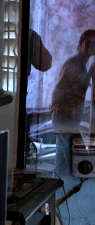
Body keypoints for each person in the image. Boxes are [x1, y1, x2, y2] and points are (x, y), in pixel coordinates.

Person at [50, 30, 95, 174]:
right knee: (66, 154)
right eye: (88, 43)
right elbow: (62, 88)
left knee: (64, 153)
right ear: (81, 44)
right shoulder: (75, 63)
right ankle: (60, 187)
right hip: (64, 115)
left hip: (69, 115)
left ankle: (60, 186)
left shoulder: (82, 64)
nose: (92, 47)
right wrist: (58, 108)